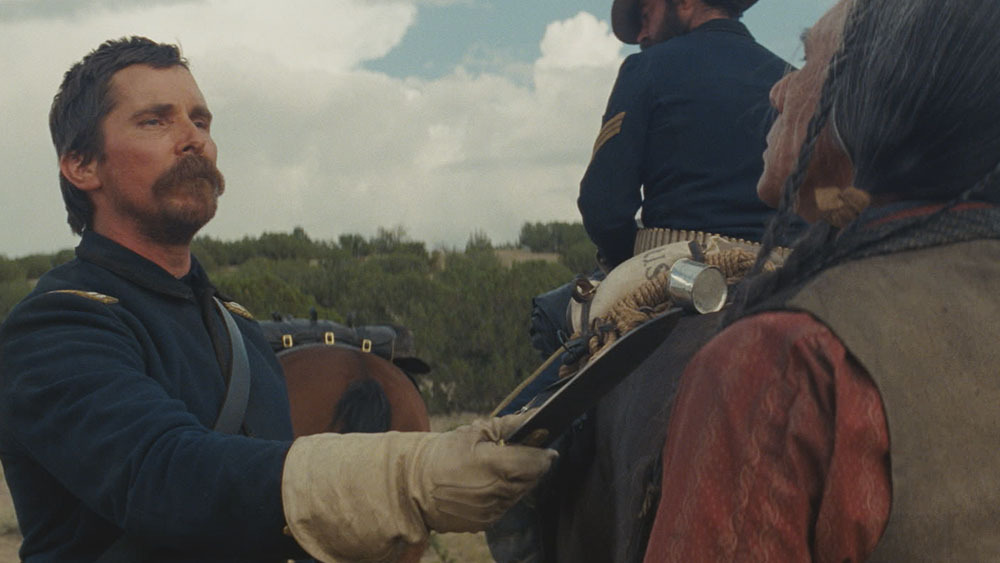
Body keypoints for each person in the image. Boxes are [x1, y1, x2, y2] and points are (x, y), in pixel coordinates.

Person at [0, 36, 556, 562]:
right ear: (82, 165)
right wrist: (404, 474)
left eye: (201, 120)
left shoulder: (237, 327)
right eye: (155, 121)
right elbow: (164, 476)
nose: (194, 139)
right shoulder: (55, 327)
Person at [641, 0, 1000, 560]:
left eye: (807, 61)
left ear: (873, 97)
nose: (777, 91)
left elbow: (604, 203)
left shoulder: (784, 360)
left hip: (672, 254)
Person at [578, 0, 788, 270]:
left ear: (685, 3)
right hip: (795, 274)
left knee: (560, 299)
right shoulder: (792, 79)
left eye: (646, 16)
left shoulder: (645, 68)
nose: (641, 35)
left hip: (680, 273)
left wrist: (629, 263)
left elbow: (603, 209)